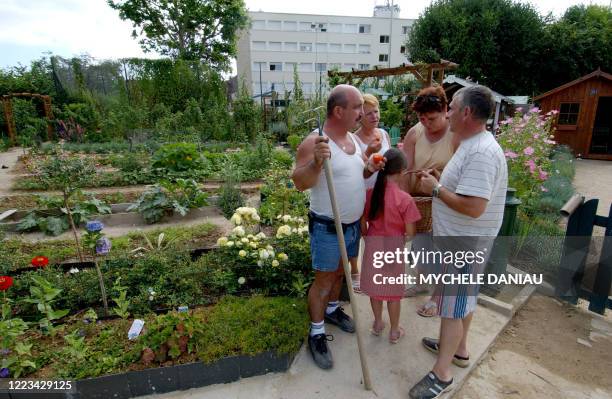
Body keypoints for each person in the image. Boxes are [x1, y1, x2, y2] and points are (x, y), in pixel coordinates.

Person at [408, 85, 508, 399]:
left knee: (451, 307)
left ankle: (442, 373)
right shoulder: (471, 143)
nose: (447, 111)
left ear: (466, 112)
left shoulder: (480, 152)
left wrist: (436, 188)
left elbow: (475, 206)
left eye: (451, 106)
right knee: (462, 300)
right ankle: (459, 350)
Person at [291, 84, 384, 370]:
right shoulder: (315, 142)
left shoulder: (353, 141)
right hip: (328, 227)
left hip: (352, 225)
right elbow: (299, 182)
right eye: (357, 107)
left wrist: (370, 166)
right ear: (339, 110)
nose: (362, 112)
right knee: (324, 282)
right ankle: (316, 332)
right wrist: (317, 163)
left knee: (341, 274)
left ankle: (332, 311)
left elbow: (358, 171)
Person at [401, 85, 458, 318]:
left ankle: (438, 296)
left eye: (431, 118)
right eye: (422, 118)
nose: (426, 123)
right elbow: (404, 173)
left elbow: (461, 178)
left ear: (446, 110)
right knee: (422, 245)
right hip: (420, 201)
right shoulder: (415, 133)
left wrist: (438, 181)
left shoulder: (456, 135)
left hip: (446, 200)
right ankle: (422, 283)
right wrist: (405, 204)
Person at [359, 148, 420, 344]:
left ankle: (378, 323)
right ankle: (394, 331)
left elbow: (362, 221)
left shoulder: (370, 194)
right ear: (402, 171)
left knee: (375, 289)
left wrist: (367, 236)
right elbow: (410, 232)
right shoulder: (405, 199)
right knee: (393, 294)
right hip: (393, 250)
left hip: (372, 248)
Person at [352, 93, 392, 291]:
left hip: (381, 190)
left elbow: (390, 160)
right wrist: (368, 151)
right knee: (362, 232)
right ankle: (355, 271)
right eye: (368, 114)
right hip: (362, 190)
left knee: (380, 231)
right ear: (360, 116)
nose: (374, 116)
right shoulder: (354, 139)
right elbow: (356, 169)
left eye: (375, 111)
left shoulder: (383, 134)